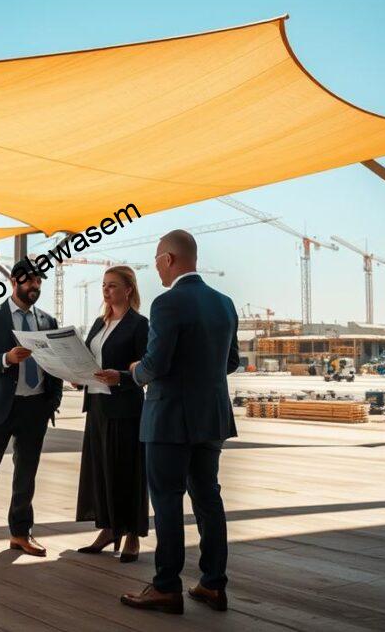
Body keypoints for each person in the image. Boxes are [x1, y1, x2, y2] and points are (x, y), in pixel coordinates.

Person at [120, 229, 239, 615]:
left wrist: (136, 370)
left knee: (168, 500)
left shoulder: (167, 304)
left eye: (156, 259)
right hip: (212, 418)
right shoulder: (225, 303)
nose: (155, 267)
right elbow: (231, 362)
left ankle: (166, 586)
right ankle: (212, 584)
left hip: (170, 418)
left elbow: (156, 364)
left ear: (169, 258)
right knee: (208, 498)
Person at [0, 258, 63, 562]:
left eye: (39, 283)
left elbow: (54, 366)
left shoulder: (47, 322)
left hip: (35, 408)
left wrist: (51, 402)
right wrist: (5, 359)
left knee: (27, 474)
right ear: (15, 282)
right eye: (30, 282)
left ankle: (20, 533)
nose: (36, 287)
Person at [75, 266, 150, 562]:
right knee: (101, 470)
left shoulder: (139, 324)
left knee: (128, 471)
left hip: (125, 407)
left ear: (128, 289)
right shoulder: (98, 324)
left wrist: (119, 375)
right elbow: (89, 359)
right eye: (104, 286)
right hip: (96, 405)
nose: (106, 291)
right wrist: (77, 374)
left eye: (113, 286)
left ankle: (132, 535)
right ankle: (108, 529)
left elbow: (146, 368)